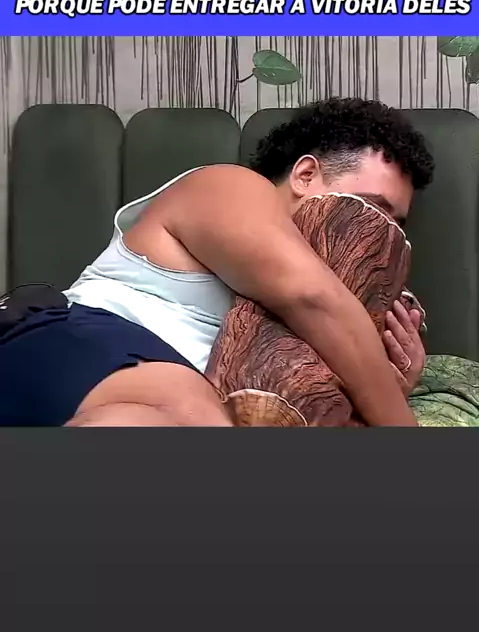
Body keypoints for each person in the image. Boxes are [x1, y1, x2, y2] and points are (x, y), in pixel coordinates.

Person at [0, 98, 434, 427]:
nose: (385, 235)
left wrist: (393, 378)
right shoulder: (232, 187)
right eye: (371, 208)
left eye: (396, 225)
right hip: (71, 339)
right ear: (305, 176)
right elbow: (312, 298)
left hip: (157, 396)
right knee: (190, 415)